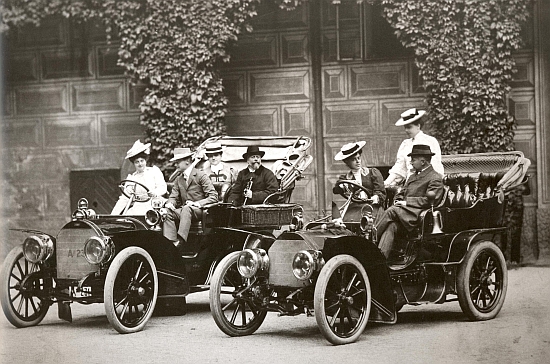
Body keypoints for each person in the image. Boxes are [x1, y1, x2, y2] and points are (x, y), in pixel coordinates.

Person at [376, 144, 444, 258]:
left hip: (418, 215)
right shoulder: (412, 176)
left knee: (391, 211)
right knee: (391, 226)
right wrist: (398, 200)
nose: (411, 162)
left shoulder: (435, 177)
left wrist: (406, 202)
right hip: (406, 213)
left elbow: (432, 201)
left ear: (423, 161)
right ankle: (380, 260)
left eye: (413, 159)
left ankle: (368, 241)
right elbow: (402, 192)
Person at [163, 147, 218, 249]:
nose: (175, 165)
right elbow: (173, 197)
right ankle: (170, 243)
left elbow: (213, 197)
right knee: (167, 212)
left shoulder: (201, 175)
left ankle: (180, 241)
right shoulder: (179, 179)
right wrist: (170, 203)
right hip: (185, 211)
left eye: (177, 162)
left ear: (187, 161)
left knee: (186, 208)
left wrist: (196, 203)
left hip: (199, 211)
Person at [385, 108, 444, 188]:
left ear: (418, 126)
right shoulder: (405, 144)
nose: (406, 130)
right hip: (410, 184)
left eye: (409, 127)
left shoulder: (430, 141)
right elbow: (400, 167)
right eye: (405, 127)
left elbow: (435, 166)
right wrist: (387, 182)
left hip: (427, 184)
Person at [333, 141, 385, 221]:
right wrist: (342, 186)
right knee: (345, 223)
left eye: (359, 158)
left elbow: (381, 192)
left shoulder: (372, 172)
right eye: (354, 160)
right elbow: (336, 190)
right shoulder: (345, 178)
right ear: (347, 162)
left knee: (369, 222)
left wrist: (376, 197)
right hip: (354, 207)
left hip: (372, 206)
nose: (358, 161)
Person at [111, 140, 167, 215]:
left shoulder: (154, 171)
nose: (140, 164)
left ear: (146, 161)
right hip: (138, 207)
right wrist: (113, 215)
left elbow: (163, 188)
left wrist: (155, 193)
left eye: (142, 161)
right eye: (137, 162)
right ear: (134, 164)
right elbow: (124, 199)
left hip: (155, 204)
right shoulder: (131, 178)